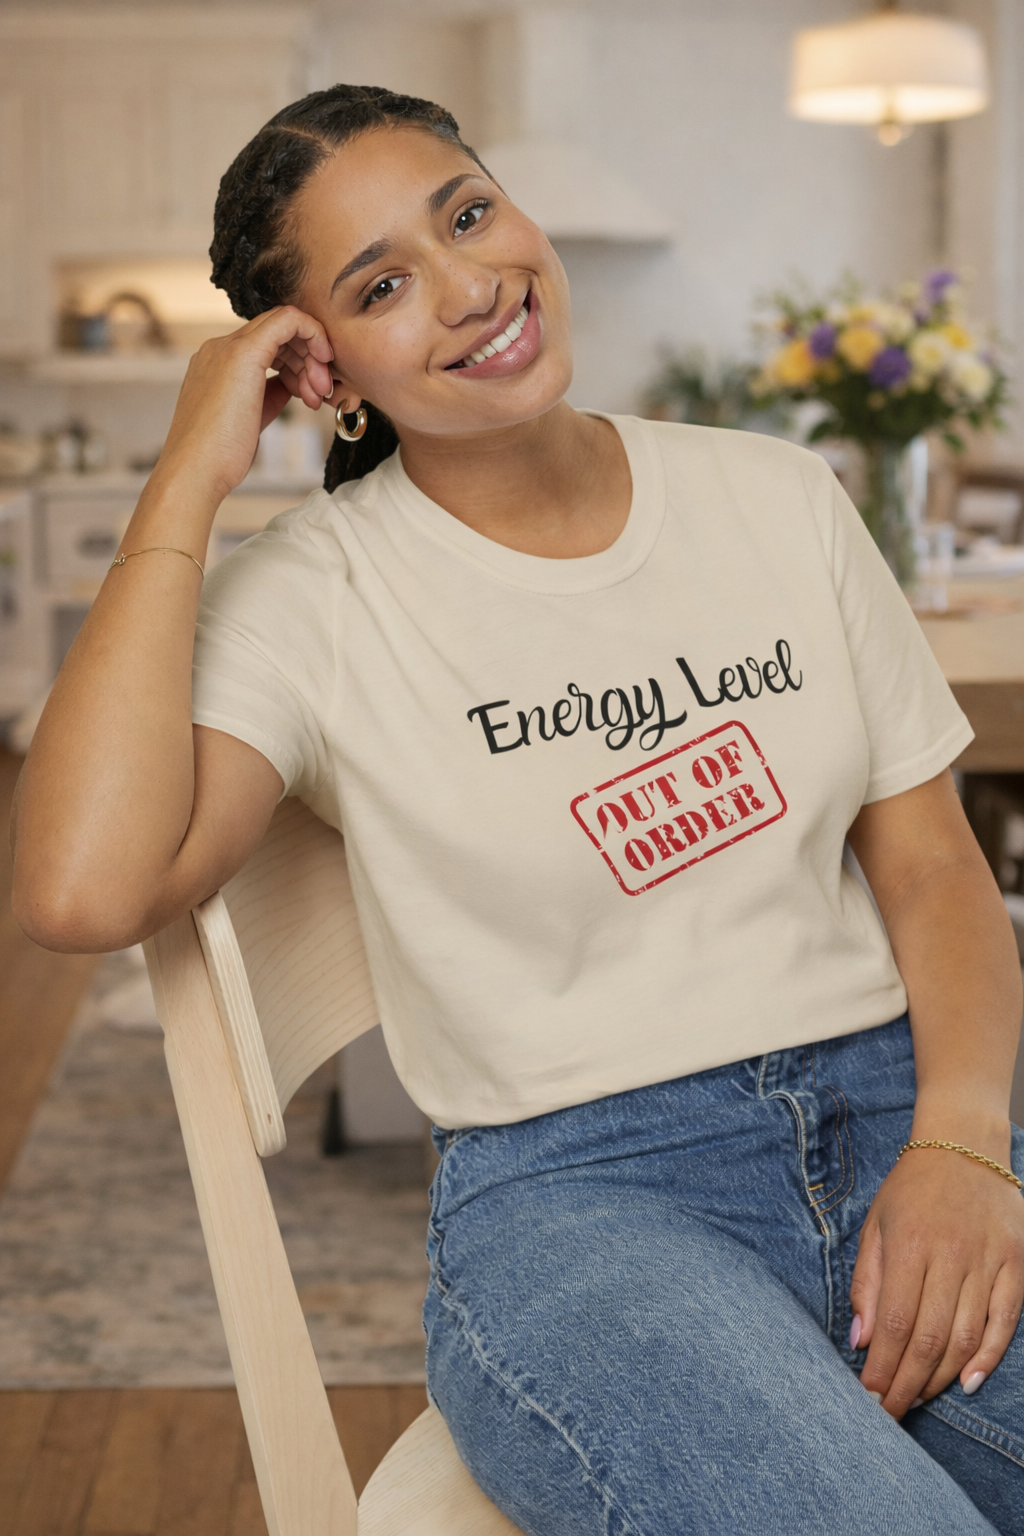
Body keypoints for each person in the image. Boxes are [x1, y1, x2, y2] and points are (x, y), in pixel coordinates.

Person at [11, 85, 1024, 1536]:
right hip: (588, 1210)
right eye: (381, 285)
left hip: (900, 1122)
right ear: (323, 371)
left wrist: (966, 1142)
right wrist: (190, 472)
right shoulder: (314, 598)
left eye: (468, 214)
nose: (473, 285)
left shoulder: (779, 499)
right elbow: (79, 892)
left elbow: (933, 872)